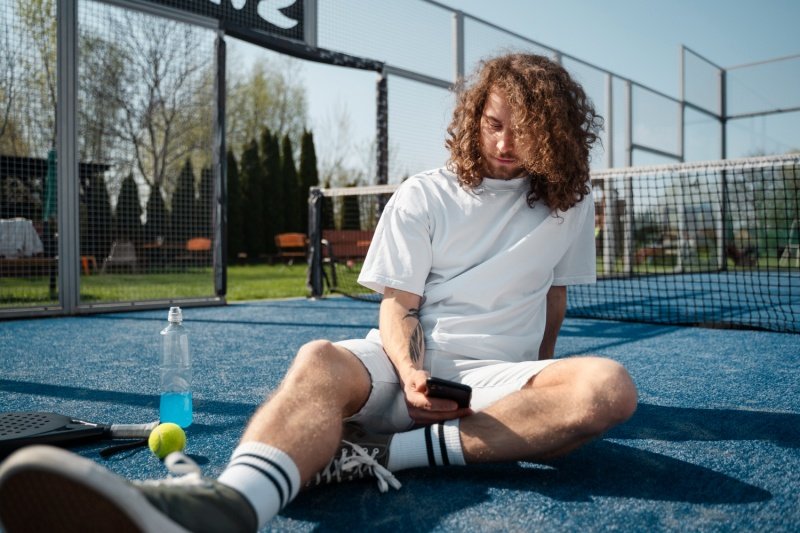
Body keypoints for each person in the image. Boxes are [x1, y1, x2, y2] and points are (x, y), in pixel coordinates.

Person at [0, 53, 637, 533]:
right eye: (492, 124)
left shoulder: (570, 204)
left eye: (520, 131)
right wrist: (413, 374)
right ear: (474, 119)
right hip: (399, 367)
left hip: (498, 381)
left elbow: (554, 295)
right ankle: (230, 503)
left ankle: (388, 453)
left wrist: (540, 373)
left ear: (551, 133)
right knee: (317, 358)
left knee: (606, 390)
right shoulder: (425, 194)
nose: (502, 144)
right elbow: (400, 305)